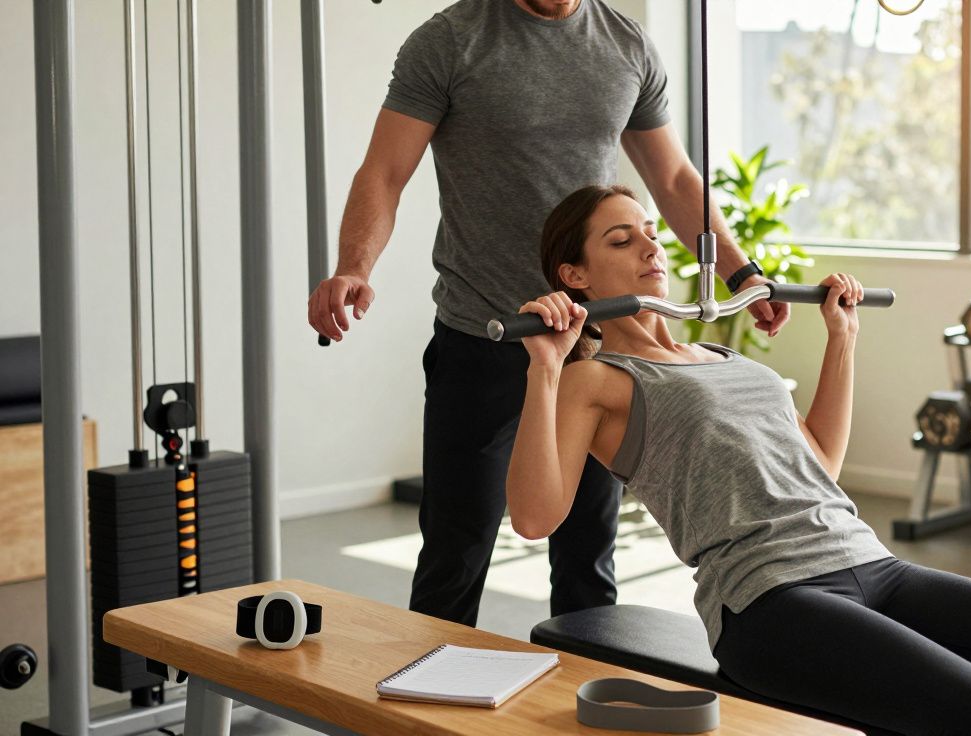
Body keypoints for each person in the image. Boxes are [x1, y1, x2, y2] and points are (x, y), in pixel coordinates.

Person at [505, 184, 971, 736]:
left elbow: (818, 464)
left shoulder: (724, 356)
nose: (651, 247)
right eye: (621, 241)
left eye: (650, 233)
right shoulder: (597, 378)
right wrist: (546, 368)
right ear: (575, 276)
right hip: (766, 602)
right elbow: (535, 518)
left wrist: (841, 337)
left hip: (871, 565)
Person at [306, 0, 790, 627]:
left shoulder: (627, 45)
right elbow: (385, 171)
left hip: (591, 342)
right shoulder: (449, 41)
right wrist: (354, 267)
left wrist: (742, 273)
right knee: (457, 547)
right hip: (483, 331)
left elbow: (672, 177)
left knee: (589, 551)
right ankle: (431, 681)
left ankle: (583, 682)